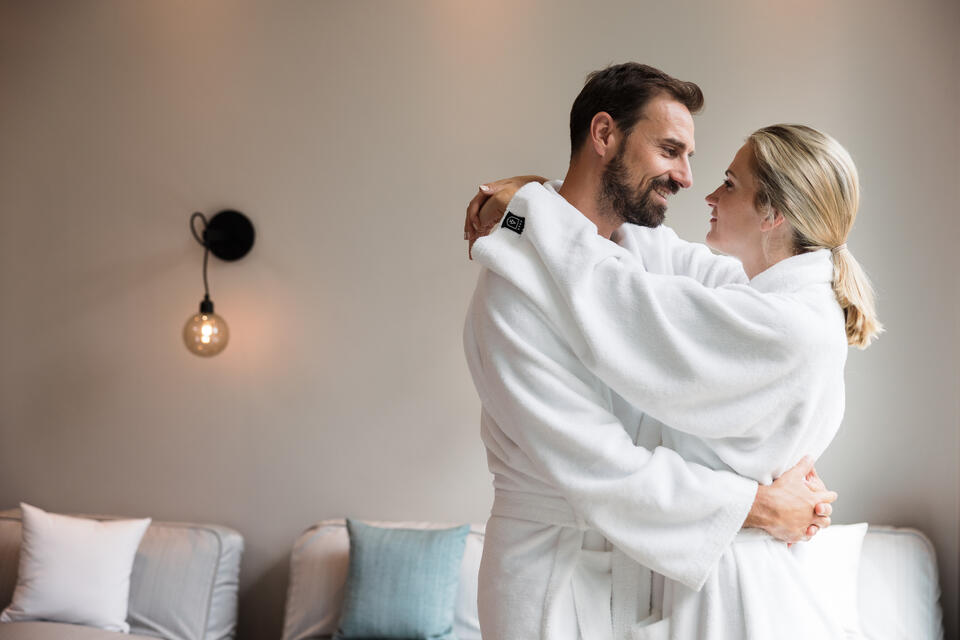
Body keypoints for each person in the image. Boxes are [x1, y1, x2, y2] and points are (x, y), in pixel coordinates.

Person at [462, 63, 841, 640]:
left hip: (637, 575)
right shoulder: (514, 286)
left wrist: (528, 203)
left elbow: (759, 309)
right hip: (548, 582)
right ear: (605, 134)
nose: (688, 178)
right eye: (670, 150)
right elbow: (601, 466)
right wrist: (758, 506)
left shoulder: (643, 258)